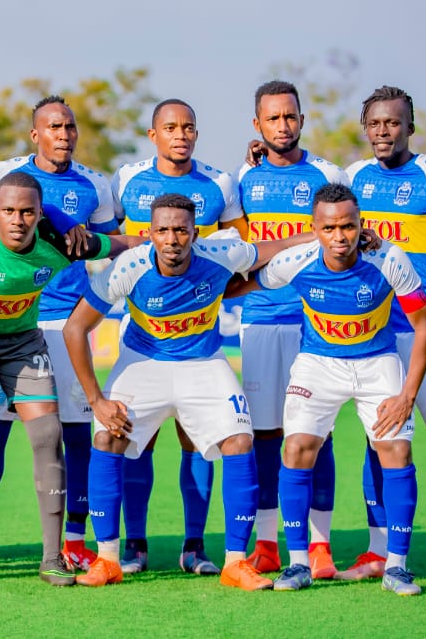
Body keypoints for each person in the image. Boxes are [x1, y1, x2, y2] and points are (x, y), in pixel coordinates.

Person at [62, 193, 313, 590]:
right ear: (149, 233)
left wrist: (322, 235)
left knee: (239, 439)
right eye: (163, 230)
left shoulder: (222, 253)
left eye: (181, 230)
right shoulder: (127, 267)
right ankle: (107, 559)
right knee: (106, 435)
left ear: (196, 233)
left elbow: (277, 246)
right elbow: (74, 329)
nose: (172, 239)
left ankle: (235, 562)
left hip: (204, 363)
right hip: (143, 363)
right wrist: (97, 400)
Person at [0, 171, 141, 587]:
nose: (17, 220)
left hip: (20, 342)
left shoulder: (63, 242)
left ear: (41, 214)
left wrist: (169, 245)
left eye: (27, 212)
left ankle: (53, 557)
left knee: (47, 434)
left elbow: (125, 243)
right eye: (8, 211)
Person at [239, 184, 426, 596]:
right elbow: (247, 284)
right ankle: (297, 564)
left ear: (361, 224)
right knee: (295, 449)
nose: (340, 237)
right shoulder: (296, 260)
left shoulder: (389, 259)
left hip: (377, 363)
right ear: (315, 228)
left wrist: (407, 395)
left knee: (397, 450)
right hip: (318, 365)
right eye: (329, 228)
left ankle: (396, 567)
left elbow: (424, 325)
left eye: (348, 226)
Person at [0, 95, 117, 573]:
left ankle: (74, 539)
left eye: (70, 126)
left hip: (66, 324)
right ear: (35, 134)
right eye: (54, 127)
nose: (64, 134)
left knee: (73, 432)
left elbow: (104, 247)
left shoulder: (95, 185)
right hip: (4, 321)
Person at [344, 86, 426, 587]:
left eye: (393, 123)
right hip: (376, 330)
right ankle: (378, 551)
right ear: (366, 128)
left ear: (410, 126)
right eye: (375, 123)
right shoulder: (353, 177)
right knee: (377, 437)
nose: (384, 131)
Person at [111, 99, 246, 575]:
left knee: (197, 439)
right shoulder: (125, 180)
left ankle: (195, 546)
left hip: (199, 336)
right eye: (170, 127)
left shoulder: (219, 184)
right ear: (154, 135)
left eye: (189, 126)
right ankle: (136, 544)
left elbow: (240, 249)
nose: (181, 134)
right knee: (135, 443)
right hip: (142, 332)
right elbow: (108, 239)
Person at [237, 81, 351, 578]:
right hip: (260, 322)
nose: (283, 126)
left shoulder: (328, 174)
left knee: (315, 435)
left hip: (315, 325)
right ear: (257, 125)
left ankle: (319, 545)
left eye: (291, 117)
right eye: (273, 118)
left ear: (302, 119)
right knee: (264, 435)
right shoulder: (245, 176)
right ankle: (266, 542)